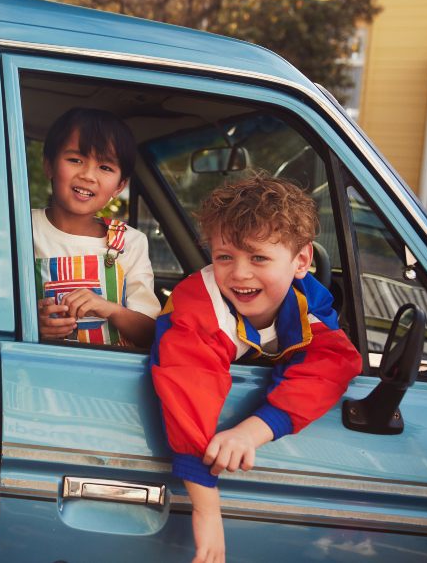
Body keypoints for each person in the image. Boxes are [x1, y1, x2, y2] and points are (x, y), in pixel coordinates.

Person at [151, 174, 362, 563]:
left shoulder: (310, 301)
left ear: (301, 261)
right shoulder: (197, 304)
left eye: (259, 257)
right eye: (224, 256)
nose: (239, 274)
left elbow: (332, 361)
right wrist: (206, 503)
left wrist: (254, 430)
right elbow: (188, 388)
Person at [34, 108, 160, 347]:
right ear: (49, 166)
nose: (88, 176)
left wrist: (111, 310)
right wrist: (32, 322)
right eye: (75, 160)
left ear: (119, 186)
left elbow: (150, 333)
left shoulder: (130, 242)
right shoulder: (21, 228)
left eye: (105, 167)